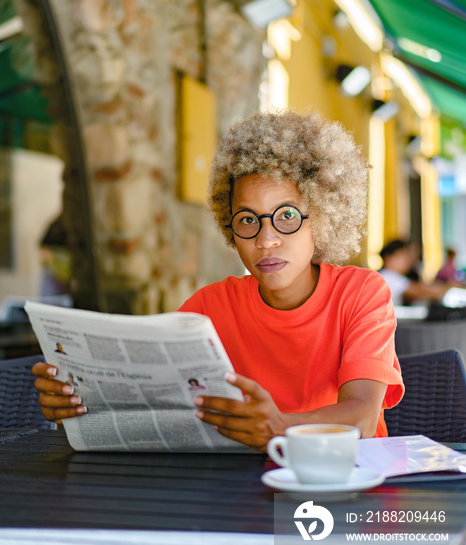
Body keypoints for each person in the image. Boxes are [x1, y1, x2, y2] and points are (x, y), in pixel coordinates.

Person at [33, 109, 403, 451]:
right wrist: (76, 399)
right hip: (238, 490)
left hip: (346, 484)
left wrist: (278, 426)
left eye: (286, 216)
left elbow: (362, 417)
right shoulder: (210, 306)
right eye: (247, 219)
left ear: (322, 218)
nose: (265, 239)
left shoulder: (361, 294)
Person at [379, 239, 461, 307]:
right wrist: (449, 287)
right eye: (403, 255)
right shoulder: (387, 276)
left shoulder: (391, 275)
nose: (407, 260)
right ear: (388, 258)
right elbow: (419, 290)